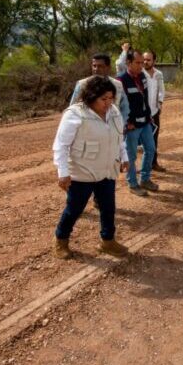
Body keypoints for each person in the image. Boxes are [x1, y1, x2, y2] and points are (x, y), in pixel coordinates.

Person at [52, 76, 130, 259]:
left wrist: (124, 157)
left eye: (111, 98)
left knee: (108, 208)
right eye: (103, 99)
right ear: (91, 97)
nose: (108, 103)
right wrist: (63, 173)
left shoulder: (115, 112)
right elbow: (61, 145)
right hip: (81, 172)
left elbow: (119, 138)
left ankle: (108, 241)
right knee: (74, 209)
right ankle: (60, 240)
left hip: (106, 170)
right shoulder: (75, 114)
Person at [119, 50, 158, 196]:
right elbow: (119, 105)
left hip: (145, 122)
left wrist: (149, 115)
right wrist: (127, 122)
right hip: (131, 126)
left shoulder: (142, 76)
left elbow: (145, 98)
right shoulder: (121, 81)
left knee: (151, 149)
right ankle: (133, 184)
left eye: (142, 62)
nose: (141, 65)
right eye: (138, 62)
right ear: (128, 63)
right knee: (131, 155)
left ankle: (145, 179)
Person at [70, 53, 129, 123]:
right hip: (89, 127)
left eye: (100, 66)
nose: (96, 69)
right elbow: (73, 109)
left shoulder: (117, 85)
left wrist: (122, 125)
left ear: (108, 67)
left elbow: (125, 108)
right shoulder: (82, 84)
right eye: (94, 66)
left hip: (113, 127)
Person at [142, 51, 166, 172]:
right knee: (137, 140)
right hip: (142, 112)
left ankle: (153, 163)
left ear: (154, 61)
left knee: (154, 138)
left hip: (154, 111)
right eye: (144, 59)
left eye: (148, 60)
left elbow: (161, 90)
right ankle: (133, 166)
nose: (145, 62)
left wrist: (160, 103)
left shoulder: (158, 74)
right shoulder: (139, 74)